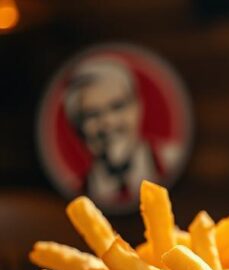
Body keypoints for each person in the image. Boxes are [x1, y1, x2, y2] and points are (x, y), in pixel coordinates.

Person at [63, 57, 180, 206]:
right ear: (77, 126)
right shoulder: (75, 192)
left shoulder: (171, 158)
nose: (108, 122)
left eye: (117, 107)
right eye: (92, 114)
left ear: (138, 108)